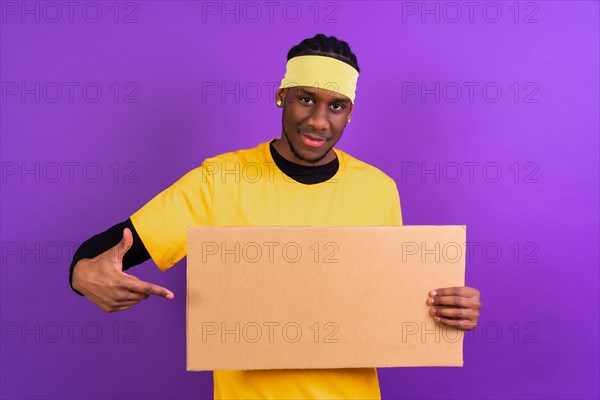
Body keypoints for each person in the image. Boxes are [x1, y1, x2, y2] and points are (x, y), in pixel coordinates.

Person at [69, 33, 482, 400]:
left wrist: (450, 308)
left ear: (350, 111)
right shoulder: (220, 180)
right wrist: (82, 272)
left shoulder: (378, 190)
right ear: (281, 95)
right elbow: (114, 247)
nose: (319, 120)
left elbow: (389, 305)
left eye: (336, 105)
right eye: (306, 99)